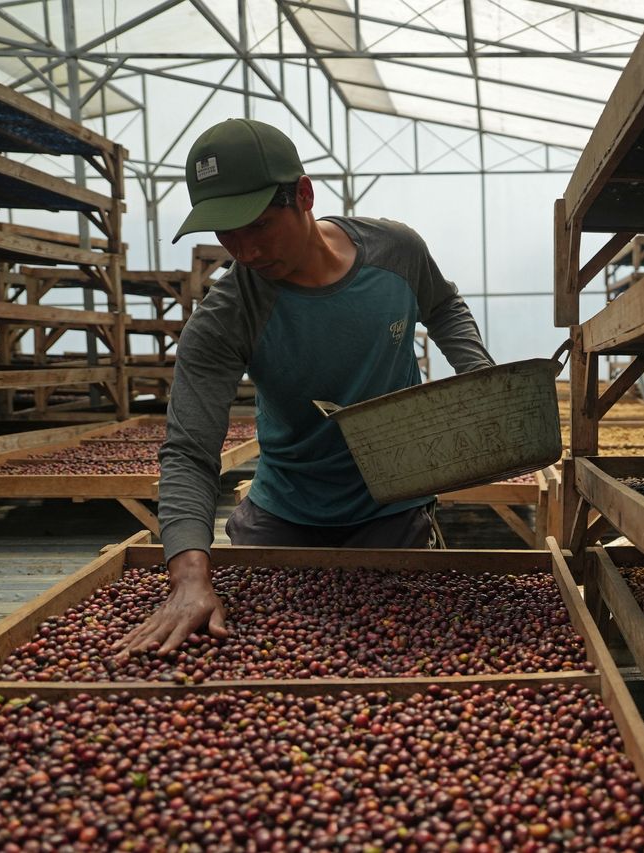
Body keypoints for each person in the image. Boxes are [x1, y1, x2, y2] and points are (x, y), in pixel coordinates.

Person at [117, 118, 494, 655]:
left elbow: (443, 306)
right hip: (284, 516)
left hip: (395, 510)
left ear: (303, 194)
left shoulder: (396, 252)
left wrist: (477, 375)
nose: (244, 252)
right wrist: (189, 575)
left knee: (413, 657)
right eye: (227, 234)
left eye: (259, 225)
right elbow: (189, 452)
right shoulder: (226, 316)